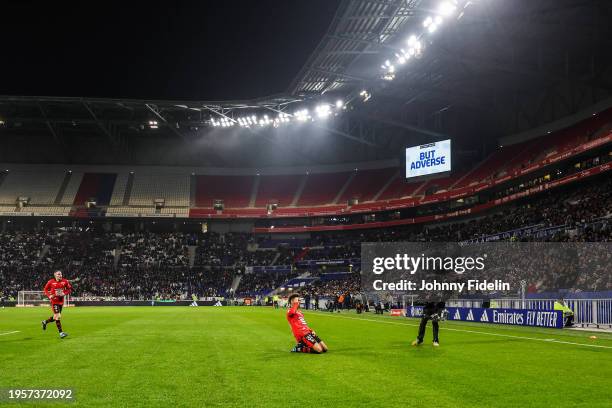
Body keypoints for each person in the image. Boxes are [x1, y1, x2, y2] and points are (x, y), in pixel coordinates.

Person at [42, 270, 73, 339]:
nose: (60, 275)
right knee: (58, 316)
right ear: (55, 275)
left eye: (61, 274)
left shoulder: (65, 281)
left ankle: (45, 322)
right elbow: (45, 289)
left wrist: (64, 293)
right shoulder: (50, 282)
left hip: (61, 302)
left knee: (55, 317)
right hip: (54, 301)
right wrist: (49, 296)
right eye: (58, 274)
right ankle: (61, 333)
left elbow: (69, 289)